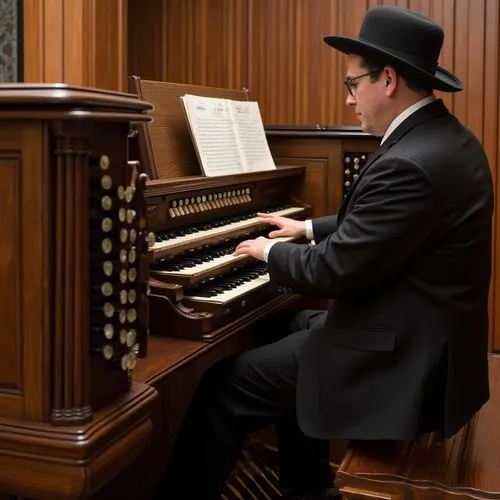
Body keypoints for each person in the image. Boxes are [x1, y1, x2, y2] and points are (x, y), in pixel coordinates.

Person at [155, 6, 494, 500]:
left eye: (353, 84)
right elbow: (393, 225)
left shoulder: (408, 162)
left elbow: (336, 270)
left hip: (405, 359)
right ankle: (307, 485)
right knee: (276, 326)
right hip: (424, 334)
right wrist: (306, 226)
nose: (349, 99)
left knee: (220, 389)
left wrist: (267, 252)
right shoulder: (447, 142)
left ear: (390, 80)